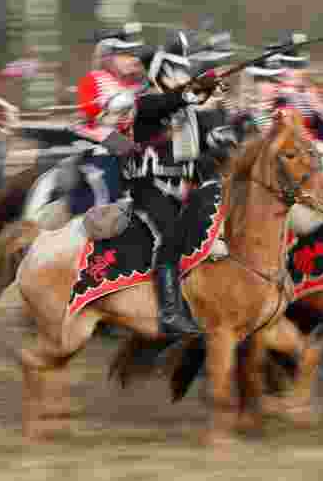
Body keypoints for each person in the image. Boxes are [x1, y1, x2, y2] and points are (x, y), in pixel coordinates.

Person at [122, 31, 228, 334]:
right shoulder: (146, 103)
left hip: (183, 187)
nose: (183, 76)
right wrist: (194, 91)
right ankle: (169, 312)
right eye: (176, 71)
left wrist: (212, 95)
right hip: (150, 187)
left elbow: (195, 127)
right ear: (162, 72)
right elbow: (172, 102)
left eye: (184, 71)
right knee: (170, 235)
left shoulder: (184, 107)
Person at [68, 23, 146, 215]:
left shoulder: (135, 83)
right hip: (103, 146)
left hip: (132, 146)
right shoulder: (93, 79)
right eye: (124, 54)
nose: (132, 59)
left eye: (131, 53)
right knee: (107, 185)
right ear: (108, 56)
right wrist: (111, 106)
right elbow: (86, 115)